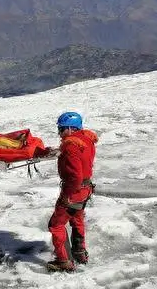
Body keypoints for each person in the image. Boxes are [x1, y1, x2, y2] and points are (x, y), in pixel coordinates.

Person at [46, 111, 98, 272]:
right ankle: (80, 253)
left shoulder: (70, 145)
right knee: (77, 220)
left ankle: (63, 261)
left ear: (70, 128)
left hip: (74, 191)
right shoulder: (86, 139)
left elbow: (75, 176)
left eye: (61, 130)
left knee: (56, 224)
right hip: (86, 189)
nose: (60, 134)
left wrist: (67, 196)